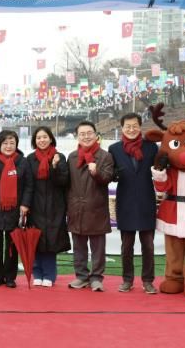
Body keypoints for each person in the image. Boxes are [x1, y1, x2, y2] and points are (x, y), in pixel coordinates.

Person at [108, 113, 158, 294]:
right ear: (122, 128)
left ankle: (148, 281)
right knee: (126, 246)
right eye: (127, 126)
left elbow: (159, 171)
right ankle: (127, 280)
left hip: (146, 201)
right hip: (125, 202)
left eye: (134, 125)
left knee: (148, 246)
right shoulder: (114, 149)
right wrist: (114, 175)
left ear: (140, 126)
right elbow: (109, 173)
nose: (131, 129)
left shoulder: (151, 147)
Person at [0, 130, 33, 288]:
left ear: (16, 144)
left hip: (15, 209)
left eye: (12, 143)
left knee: (12, 244)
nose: (8, 146)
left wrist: (25, 204)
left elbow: (29, 185)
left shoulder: (22, 161)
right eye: (5, 143)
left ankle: (10, 277)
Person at [67, 121, 114, 292]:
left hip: (96, 208)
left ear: (96, 135)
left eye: (89, 133)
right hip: (76, 208)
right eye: (82, 134)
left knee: (98, 247)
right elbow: (67, 183)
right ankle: (81, 276)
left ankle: (96, 278)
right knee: (78, 246)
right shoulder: (72, 157)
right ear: (77, 137)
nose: (86, 136)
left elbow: (108, 178)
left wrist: (96, 172)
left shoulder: (105, 156)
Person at [25, 127, 70, 288]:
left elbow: (63, 181)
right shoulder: (30, 159)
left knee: (51, 241)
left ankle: (50, 275)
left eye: (45, 137)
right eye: (38, 138)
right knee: (36, 240)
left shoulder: (59, 157)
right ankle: (37, 273)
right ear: (34, 141)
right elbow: (28, 184)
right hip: (35, 206)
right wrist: (25, 204)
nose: (42, 140)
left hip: (55, 206)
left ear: (51, 139)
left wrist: (55, 167)